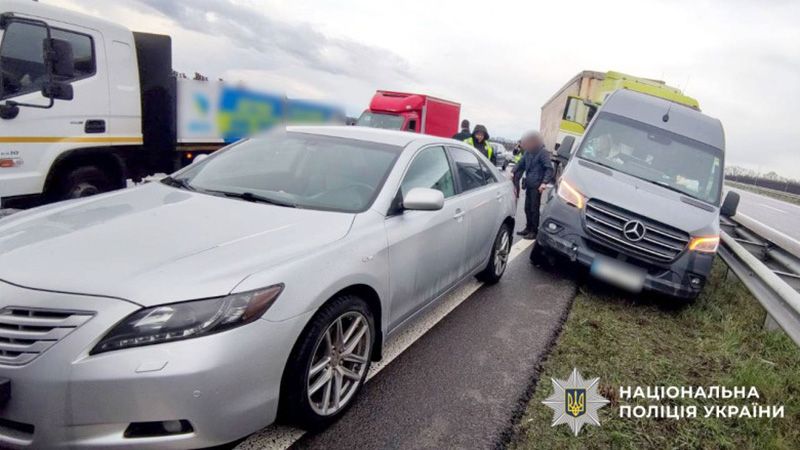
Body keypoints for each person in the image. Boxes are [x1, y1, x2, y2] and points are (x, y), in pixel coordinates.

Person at [513, 131, 554, 240]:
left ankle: (534, 231)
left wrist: (544, 182)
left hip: (537, 185)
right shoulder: (528, 152)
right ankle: (528, 227)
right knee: (527, 208)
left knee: (534, 209)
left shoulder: (542, 152)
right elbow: (520, 163)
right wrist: (513, 171)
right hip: (529, 184)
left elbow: (549, 169)